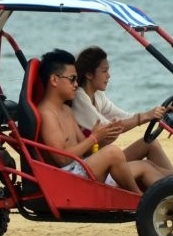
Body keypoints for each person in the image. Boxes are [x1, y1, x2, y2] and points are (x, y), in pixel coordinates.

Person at [36, 48, 166, 193]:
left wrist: (98, 139)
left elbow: (85, 150)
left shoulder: (66, 110)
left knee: (145, 165)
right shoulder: (47, 113)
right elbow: (62, 159)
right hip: (68, 177)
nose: (76, 84)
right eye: (72, 79)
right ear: (54, 80)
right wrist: (94, 138)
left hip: (81, 166)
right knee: (112, 152)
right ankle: (140, 199)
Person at [73, 46, 173, 175]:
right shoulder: (80, 98)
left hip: (102, 160)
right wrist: (144, 117)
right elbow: (110, 128)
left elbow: (124, 117)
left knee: (151, 144)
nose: (109, 76)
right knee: (146, 165)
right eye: (104, 71)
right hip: (92, 165)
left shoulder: (97, 95)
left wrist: (159, 112)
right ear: (89, 74)